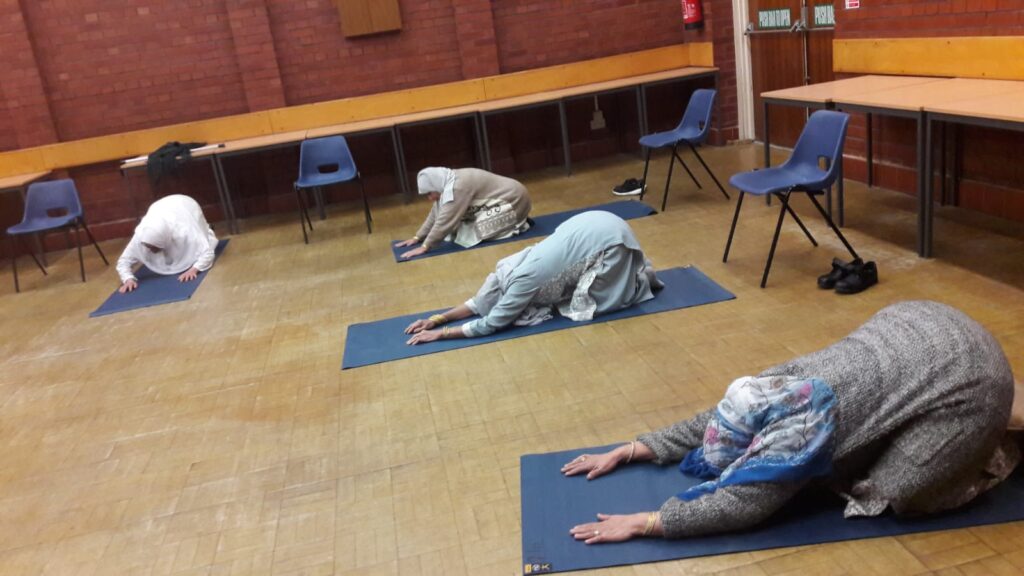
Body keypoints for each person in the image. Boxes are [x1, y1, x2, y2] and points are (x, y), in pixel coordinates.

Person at [561, 301, 1020, 543]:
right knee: (867, 429)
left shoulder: (796, 432)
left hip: (971, 380)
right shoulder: (769, 387)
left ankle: (999, 441)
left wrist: (647, 522)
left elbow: (742, 505)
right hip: (917, 323)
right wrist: (637, 448)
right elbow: (714, 421)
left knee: (897, 491)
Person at [405, 210, 661, 344]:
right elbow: (477, 303)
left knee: (588, 307)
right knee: (569, 285)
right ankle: (626, 271)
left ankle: (641, 277)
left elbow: (491, 323)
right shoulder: (508, 268)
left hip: (609, 239)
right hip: (592, 223)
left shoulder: (521, 284)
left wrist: (443, 333)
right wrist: (436, 319)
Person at [395, 167, 532, 259]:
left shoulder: (457, 187)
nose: (429, 198)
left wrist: (426, 246)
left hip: (515, 201)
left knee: (472, 233)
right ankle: (513, 222)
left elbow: (446, 220)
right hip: (502, 200)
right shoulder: (447, 180)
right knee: (456, 231)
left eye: (429, 193)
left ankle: (518, 223)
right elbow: (436, 213)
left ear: (435, 186)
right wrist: (418, 237)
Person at [116, 195, 218, 293]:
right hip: (158, 208)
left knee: (204, 236)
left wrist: (194, 269)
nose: (151, 250)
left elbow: (207, 252)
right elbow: (123, 262)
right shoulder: (140, 237)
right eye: (149, 246)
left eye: (154, 247)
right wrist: (128, 279)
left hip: (185, 205)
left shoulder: (185, 231)